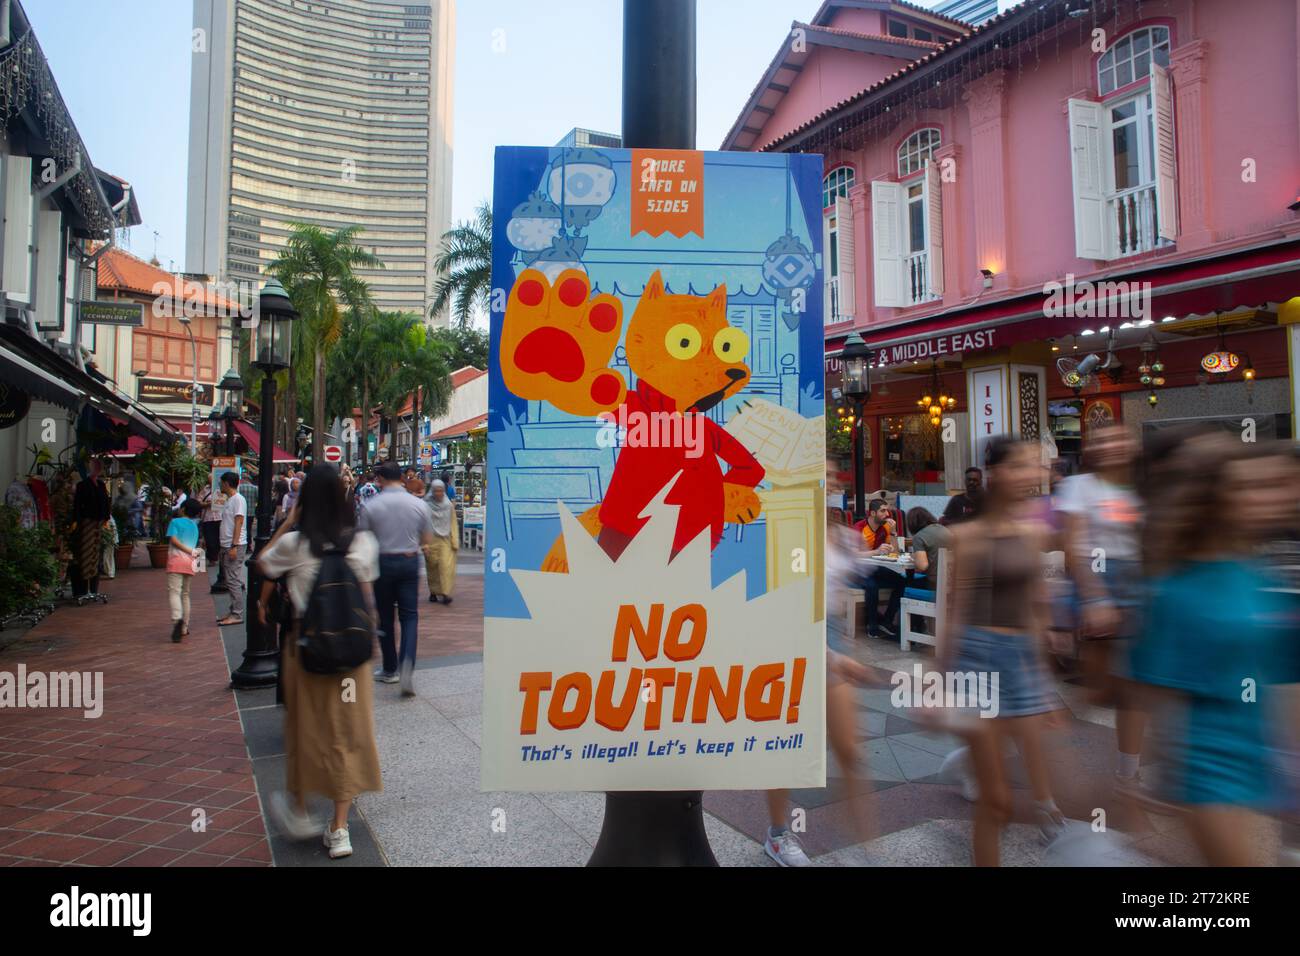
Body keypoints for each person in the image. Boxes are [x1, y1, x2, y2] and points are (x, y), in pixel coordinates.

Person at [1130, 437, 1299, 865]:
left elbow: (1278, 675)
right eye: (1244, 489)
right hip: (1210, 766)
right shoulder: (1178, 589)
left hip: (1257, 754)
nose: (1268, 498)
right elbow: (1155, 692)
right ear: (1214, 500)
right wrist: (1151, 775)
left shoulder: (1254, 572)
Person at [940, 436, 1065, 865]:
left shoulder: (1035, 530)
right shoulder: (969, 535)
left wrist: (1044, 677)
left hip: (1021, 658)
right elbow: (955, 613)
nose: (1031, 475)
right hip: (978, 658)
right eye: (1020, 466)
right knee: (997, 803)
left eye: (1036, 466)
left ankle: (1041, 805)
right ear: (996, 474)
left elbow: (1036, 605)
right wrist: (941, 681)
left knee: (1035, 765)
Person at [256, 465, 382, 860]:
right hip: (350, 659)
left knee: (304, 733)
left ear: (305, 498)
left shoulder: (295, 543)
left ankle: (300, 811)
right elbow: (367, 600)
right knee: (345, 734)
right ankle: (340, 829)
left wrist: (287, 521)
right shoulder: (361, 541)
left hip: (306, 652)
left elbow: (261, 562)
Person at [1056, 424, 1150, 801]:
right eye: (1103, 440)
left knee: (1134, 687)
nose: (1112, 445)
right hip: (1098, 577)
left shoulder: (1141, 490)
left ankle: (1128, 775)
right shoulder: (1080, 487)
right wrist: (1094, 598)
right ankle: (1029, 733)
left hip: (1137, 582)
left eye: (1119, 438)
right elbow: (1074, 545)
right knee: (1096, 690)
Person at [359, 461, 435, 695]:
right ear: (401, 477)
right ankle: (406, 665)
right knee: (409, 616)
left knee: (385, 616)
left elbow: (363, 538)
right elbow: (427, 537)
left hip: (383, 562)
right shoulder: (418, 504)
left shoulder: (371, 505)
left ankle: (390, 668)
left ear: (380, 479)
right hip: (409, 561)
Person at [855, 498, 903, 639]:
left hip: (877, 568)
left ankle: (887, 621)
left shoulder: (886, 527)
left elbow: (896, 553)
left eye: (887, 510)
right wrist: (876, 552)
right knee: (872, 585)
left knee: (901, 581)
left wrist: (893, 532)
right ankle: (872, 624)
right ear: (873, 513)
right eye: (883, 510)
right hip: (859, 570)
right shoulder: (859, 528)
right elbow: (852, 554)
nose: (887, 513)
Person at [70, 458, 111, 602]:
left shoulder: (100, 485)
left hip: (98, 523)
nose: (97, 470)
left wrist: (106, 518)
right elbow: (77, 505)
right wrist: (76, 521)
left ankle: (92, 587)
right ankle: (85, 587)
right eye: (95, 467)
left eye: (99, 468)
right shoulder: (83, 485)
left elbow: (106, 502)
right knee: (86, 553)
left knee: (95, 552)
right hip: (87, 522)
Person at [165, 499, 204, 642]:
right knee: (186, 594)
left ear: (183, 509)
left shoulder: (175, 522)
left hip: (176, 561)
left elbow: (174, 541)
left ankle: (177, 620)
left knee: (174, 592)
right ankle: (184, 627)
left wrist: (188, 550)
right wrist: (193, 553)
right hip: (190, 563)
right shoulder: (194, 526)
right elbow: (196, 544)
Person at [217, 471, 247, 626]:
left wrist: (234, 545)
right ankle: (233, 611)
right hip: (227, 544)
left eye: (221, 482)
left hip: (233, 545)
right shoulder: (231, 500)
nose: (219, 485)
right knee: (230, 579)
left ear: (227, 483)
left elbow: (239, 522)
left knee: (233, 580)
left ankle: (237, 613)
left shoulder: (238, 500)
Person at [423, 479, 459, 604]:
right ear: (432, 491)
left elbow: (453, 522)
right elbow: (422, 524)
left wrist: (455, 540)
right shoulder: (426, 504)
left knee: (445, 566)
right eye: (436, 491)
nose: (438, 493)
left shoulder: (448, 505)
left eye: (441, 491)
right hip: (430, 539)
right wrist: (424, 543)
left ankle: (445, 593)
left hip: (445, 540)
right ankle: (433, 591)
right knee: (432, 567)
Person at [904, 507, 951, 594]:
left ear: (912, 523)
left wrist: (915, 558)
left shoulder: (919, 536)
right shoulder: (945, 529)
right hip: (952, 581)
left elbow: (922, 566)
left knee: (903, 584)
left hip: (934, 584)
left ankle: (898, 607)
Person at [199, 481, 227, 594]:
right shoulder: (204, 489)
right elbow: (198, 502)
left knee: (219, 539)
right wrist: (207, 504)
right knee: (210, 540)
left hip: (220, 517)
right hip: (208, 518)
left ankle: (217, 558)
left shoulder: (222, 490)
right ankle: (211, 558)